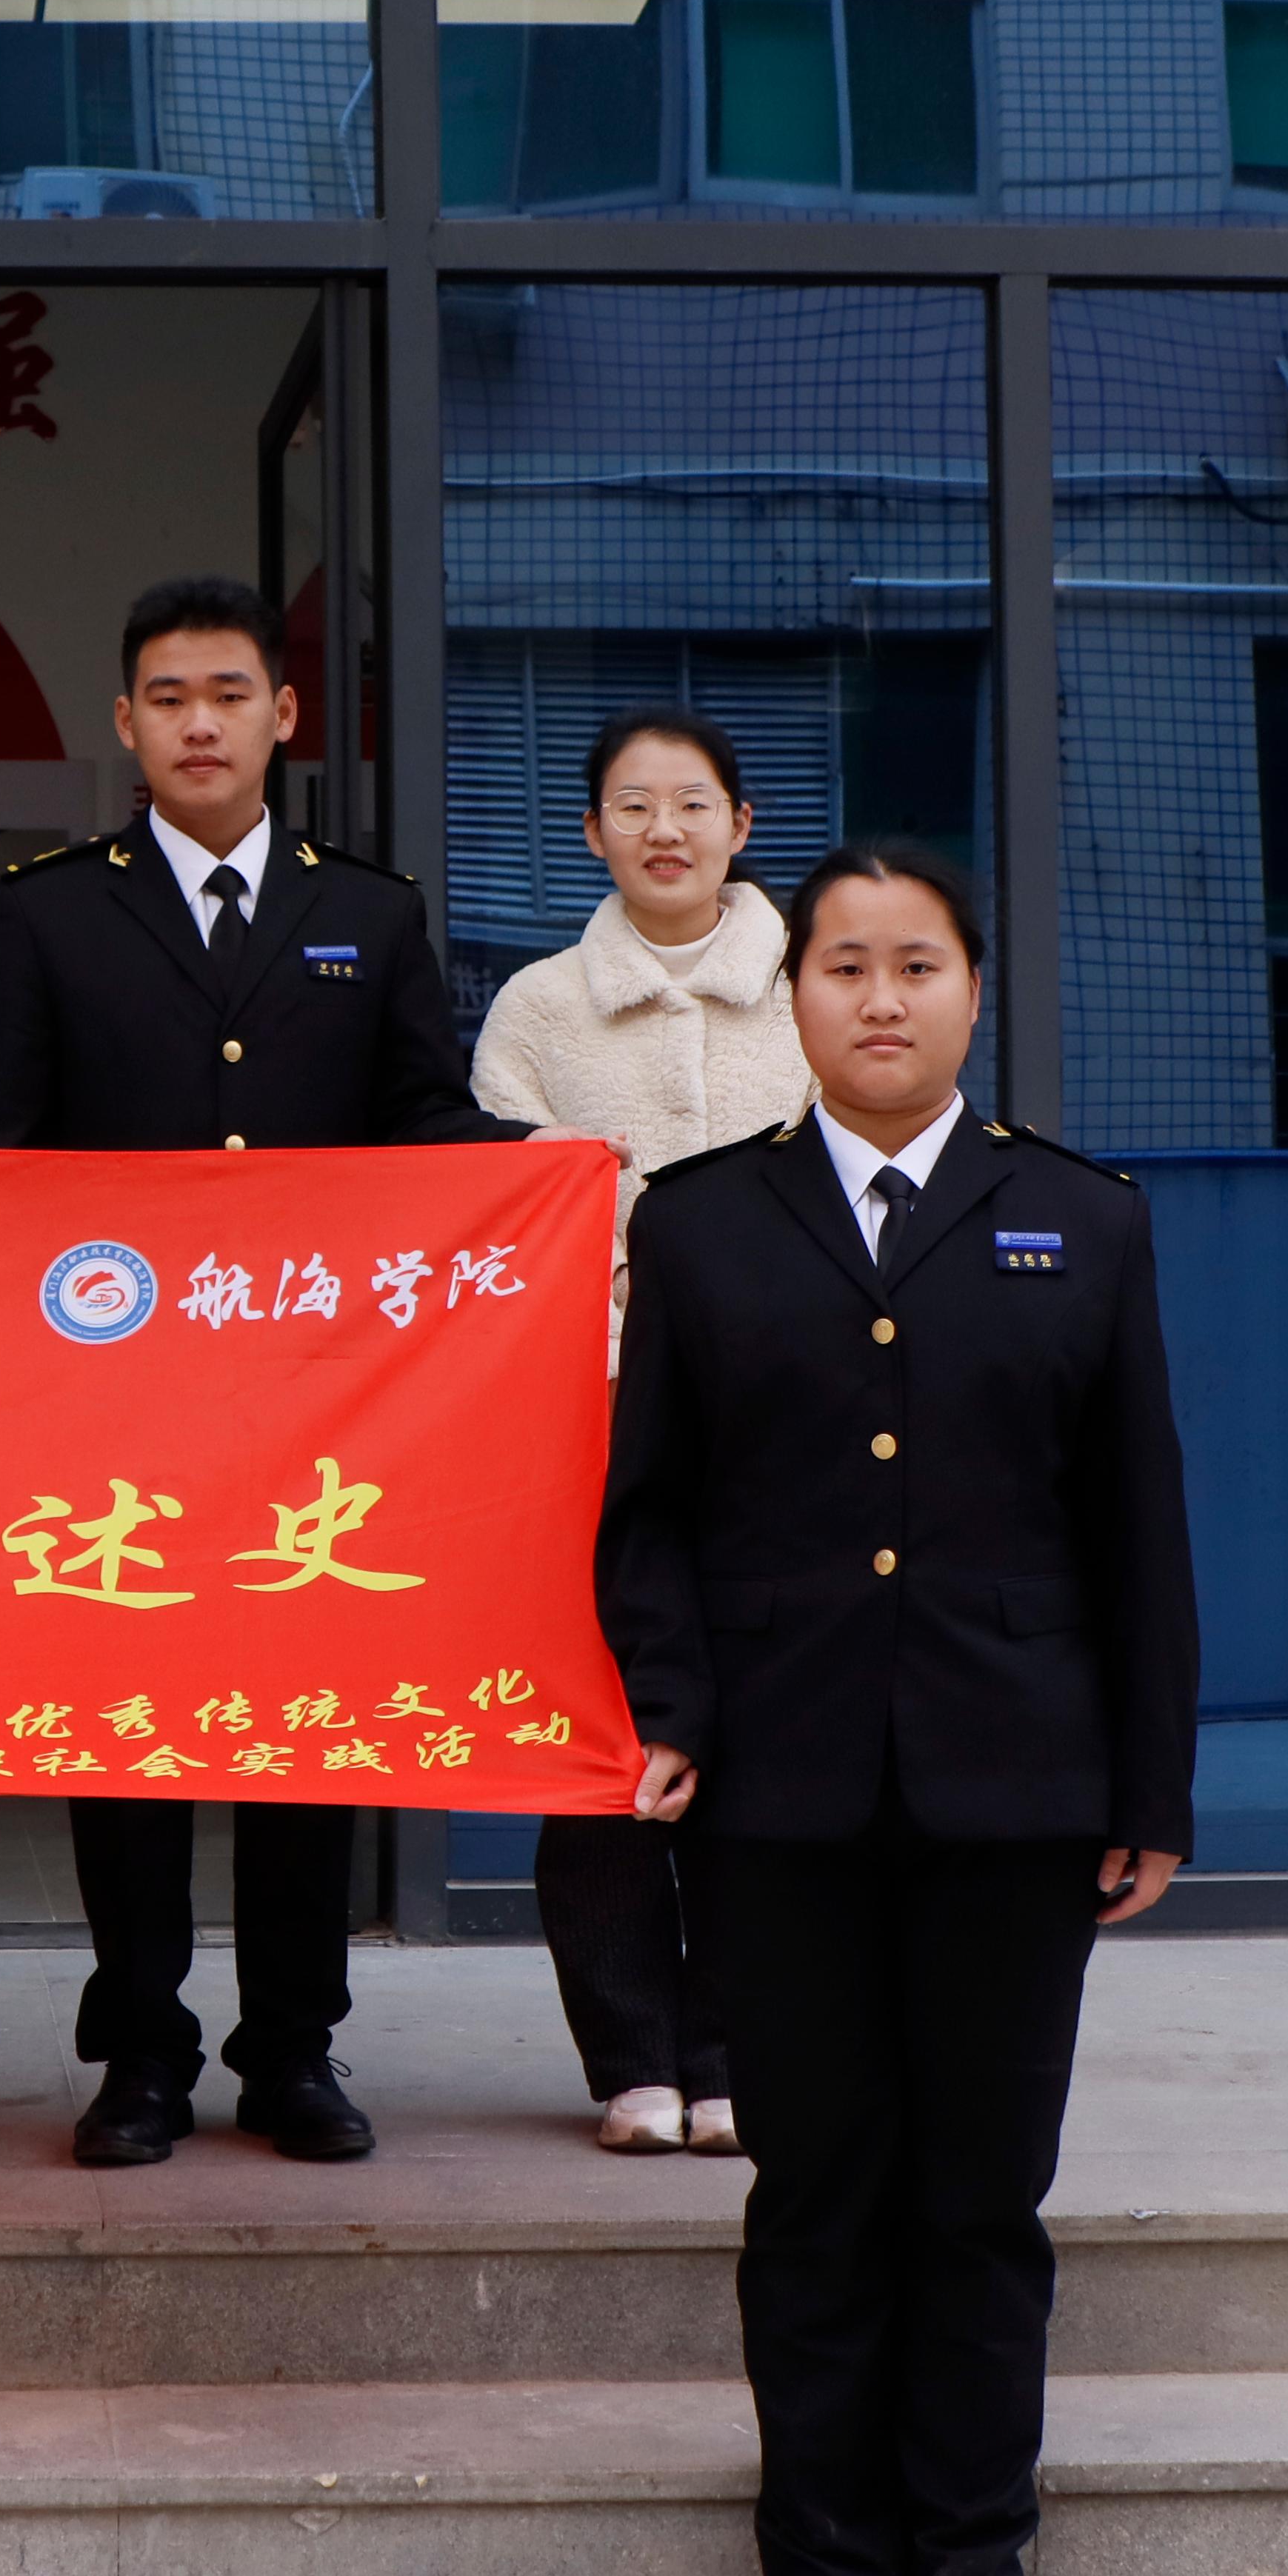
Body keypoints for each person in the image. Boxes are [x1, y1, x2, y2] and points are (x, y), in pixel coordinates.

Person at [590, 838, 1198, 2576]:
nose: (878, 995)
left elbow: (1139, 1528)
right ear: (794, 996)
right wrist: (672, 1706)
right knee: (819, 2196)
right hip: (779, 1792)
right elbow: (646, 1511)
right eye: (843, 962)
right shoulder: (703, 1222)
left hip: (1018, 1790)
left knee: (981, 2199)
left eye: (914, 963)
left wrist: (1151, 1785)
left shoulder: (1080, 1218)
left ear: (971, 992)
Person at [0, 574, 543, 2172]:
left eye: (229, 693)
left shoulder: (370, 913)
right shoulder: (51, 911)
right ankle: (140, 2052)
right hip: (115, 1406)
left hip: (315, 1405)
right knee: (127, 1735)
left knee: (302, 1729)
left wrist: (533, 1166)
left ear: (285, 715)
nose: (199, 723)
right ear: (125, 722)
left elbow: (422, 1125)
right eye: (168, 697)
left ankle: (294, 2047)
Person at [468, 706, 815, 2160]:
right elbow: (501, 1217)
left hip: (783, 1425)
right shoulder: (537, 1009)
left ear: (742, 826)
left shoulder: (816, 988)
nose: (664, 829)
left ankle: (737, 2050)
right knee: (600, 1733)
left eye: (693, 803)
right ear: (592, 833)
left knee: (763, 1741)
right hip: (588, 1423)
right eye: (632, 804)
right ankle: (631, 2058)